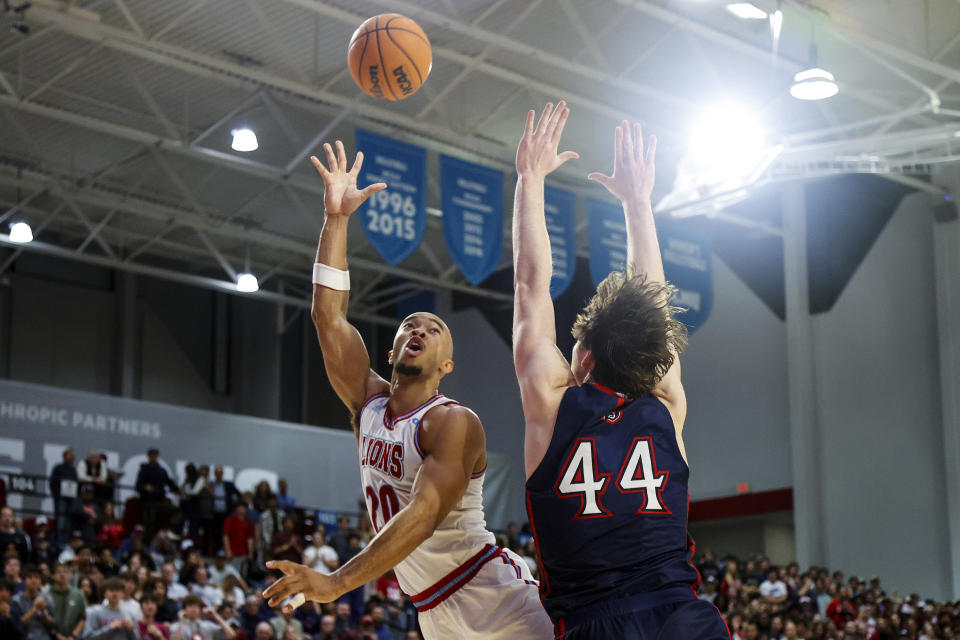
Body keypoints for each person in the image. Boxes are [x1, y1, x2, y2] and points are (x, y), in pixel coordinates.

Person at [262, 141, 551, 640]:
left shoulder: (453, 421)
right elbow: (328, 318)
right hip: (432, 610)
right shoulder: (367, 403)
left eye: (433, 329)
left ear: (447, 364)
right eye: (409, 325)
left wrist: (336, 582)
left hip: (493, 595)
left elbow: (422, 515)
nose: (417, 330)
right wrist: (336, 219)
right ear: (392, 351)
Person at [512, 103, 729, 639]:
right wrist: (638, 203)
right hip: (682, 617)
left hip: (594, 625)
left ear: (582, 358)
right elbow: (654, 306)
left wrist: (529, 180)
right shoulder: (665, 404)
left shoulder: (552, 406)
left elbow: (529, 287)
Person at [135, 449, 178, 541]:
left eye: (155, 455)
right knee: (149, 521)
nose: (154, 457)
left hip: (160, 501)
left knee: (176, 511)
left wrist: (179, 490)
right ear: (149, 456)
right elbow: (138, 486)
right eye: (152, 455)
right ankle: (147, 543)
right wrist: (145, 487)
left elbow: (170, 484)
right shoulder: (144, 470)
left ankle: (170, 531)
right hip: (147, 501)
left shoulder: (162, 471)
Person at [169, 594, 236, 640]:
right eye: (190, 606)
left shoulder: (208, 626)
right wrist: (181, 621)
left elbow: (231, 635)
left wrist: (215, 615)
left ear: (201, 610)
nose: (194, 609)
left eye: (197, 606)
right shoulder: (176, 626)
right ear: (184, 609)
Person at [15, 565, 54, 640]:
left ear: (41, 581)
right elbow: (16, 626)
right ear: (24, 580)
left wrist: (43, 612)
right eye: (30, 577)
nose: (33, 580)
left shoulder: (47, 598)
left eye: (37, 577)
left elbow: (54, 624)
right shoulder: (16, 600)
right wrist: (35, 609)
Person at [49, 562, 86, 640]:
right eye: (58, 572)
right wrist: (57, 635)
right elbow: (44, 618)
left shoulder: (78, 594)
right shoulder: (46, 595)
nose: (62, 574)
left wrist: (73, 636)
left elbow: (83, 618)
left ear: (70, 575)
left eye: (65, 571)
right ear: (53, 575)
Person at [50, 449, 78, 545]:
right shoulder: (58, 468)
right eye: (70, 455)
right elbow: (53, 482)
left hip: (71, 499)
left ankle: (66, 542)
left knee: (69, 522)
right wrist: (57, 495)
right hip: (61, 499)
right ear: (64, 456)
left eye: (73, 455)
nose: (72, 457)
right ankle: (59, 543)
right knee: (61, 521)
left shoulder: (73, 470)